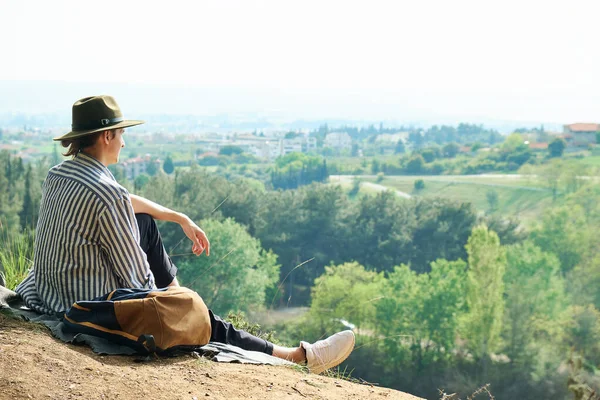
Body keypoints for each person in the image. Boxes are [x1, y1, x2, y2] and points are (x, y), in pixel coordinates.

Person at [15, 95, 354, 374]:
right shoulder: (108, 195)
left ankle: (183, 301)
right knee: (193, 310)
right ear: (106, 137)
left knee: (145, 222)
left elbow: (127, 202)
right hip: (85, 310)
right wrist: (177, 306)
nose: (124, 141)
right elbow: (138, 282)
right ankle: (296, 356)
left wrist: (177, 217)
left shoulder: (59, 175)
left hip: (47, 293)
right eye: (121, 134)